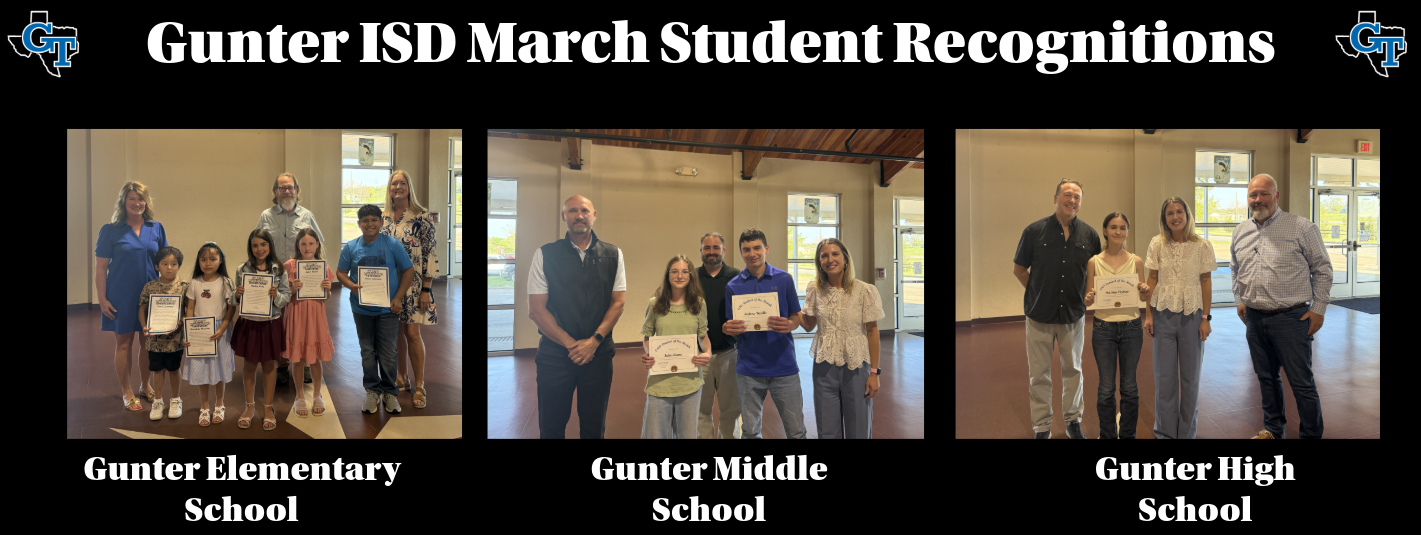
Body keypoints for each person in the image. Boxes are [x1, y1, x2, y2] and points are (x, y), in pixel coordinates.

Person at [1231, 173, 1331, 439]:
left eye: (1264, 193)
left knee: (1301, 383)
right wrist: (1240, 299)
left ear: (1276, 196)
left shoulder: (1302, 228)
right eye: (1253, 194)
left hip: (1292, 319)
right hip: (1254, 319)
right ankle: (1273, 430)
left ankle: (1311, 435)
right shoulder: (1240, 231)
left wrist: (1318, 308)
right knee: (1266, 378)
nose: (1258, 199)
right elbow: (1235, 268)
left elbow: (1322, 269)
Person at [528, 195, 627, 439]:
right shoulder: (545, 254)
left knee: (594, 427)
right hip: (555, 356)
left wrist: (593, 341)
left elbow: (618, 303)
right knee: (551, 426)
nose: (579, 215)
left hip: (598, 355)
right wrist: (573, 346)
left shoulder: (613, 254)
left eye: (584, 210)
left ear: (594, 215)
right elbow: (537, 310)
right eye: (572, 211)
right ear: (564, 217)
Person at [1012, 179, 1101, 439]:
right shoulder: (1034, 231)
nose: (1072, 200)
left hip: (1073, 315)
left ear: (1080, 202)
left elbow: (1095, 271)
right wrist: (1037, 292)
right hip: (1039, 316)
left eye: (1077, 197)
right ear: (1055, 198)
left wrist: (1090, 293)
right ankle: (1042, 426)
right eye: (1067, 195)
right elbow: (1019, 269)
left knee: (1073, 370)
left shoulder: (1090, 235)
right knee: (1039, 374)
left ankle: (1073, 420)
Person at [722, 228, 806, 439]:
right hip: (748, 369)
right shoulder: (733, 286)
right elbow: (730, 324)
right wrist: (726, 328)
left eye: (757, 247)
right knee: (750, 432)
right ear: (741, 253)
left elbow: (796, 316)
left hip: (784, 367)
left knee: (796, 431)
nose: (752, 253)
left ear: (766, 248)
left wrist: (789, 325)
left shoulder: (784, 279)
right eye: (746, 249)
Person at [1142, 197, 1216, 439]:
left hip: (1192, 316)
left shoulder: (1202, 245)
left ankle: (1186, 433)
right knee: (1164, 378)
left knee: (1190, 378)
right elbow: (1152, 279)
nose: (1175, 217)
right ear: (1164, 219)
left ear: (1187, 214)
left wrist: (1206, 318)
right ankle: (1164, 433)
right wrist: (1149, 314)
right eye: (1170, 213)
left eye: (1179, 211)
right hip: (1162, 315)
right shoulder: (1157, 244)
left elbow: (1206, 281)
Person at [800, 238, 884, 439]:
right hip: (823, 367)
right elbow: (809, 324)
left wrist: (874, 373)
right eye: (824, 256)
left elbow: (872, 332)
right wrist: (785, 304)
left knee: (859, 429)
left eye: (835, 254)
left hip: (856, 366)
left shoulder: (864, 290)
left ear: (845, 259)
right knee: (827, 429)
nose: (830, 259)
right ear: (819, 262)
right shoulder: (815, 289)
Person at [336, 205, 416, 416]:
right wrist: (351, 286)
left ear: (381, 222)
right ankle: (372, 390)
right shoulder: (351, 247)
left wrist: (398, 297)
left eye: (374, 219)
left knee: (388, 353)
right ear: (359, 223)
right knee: (367, 352)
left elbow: (408, 270)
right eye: (365, 220)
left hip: (387, 309)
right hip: (361, 309)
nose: (369, 224)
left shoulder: (392, 244)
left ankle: (390, 392)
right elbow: (341, 272)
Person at [95, 181, 165, 412]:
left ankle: (146, 385)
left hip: (151, 296)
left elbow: (165, 263)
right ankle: (127, 390)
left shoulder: (156, 228)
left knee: (148, 343)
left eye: (141, 198)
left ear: (146, 202)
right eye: (132, 199)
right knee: (124, 343)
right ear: (124, 202)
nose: (137, 203)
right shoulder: (111, 230)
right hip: (121, 295)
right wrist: (102, 299)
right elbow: (100, 268)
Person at [1083, 213, 1151, 439]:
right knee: (1105, 388)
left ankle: (1128, 434)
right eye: (1113, 227)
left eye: (1123, 228)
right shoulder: (1094, 261)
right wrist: (1089, 298)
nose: (1118, 232)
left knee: (1130, 387)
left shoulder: (1136, 261)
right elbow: (1088, 298)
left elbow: (1142, 299)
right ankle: (1108, 435)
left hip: (1131, 327)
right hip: (1103, 328)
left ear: (1127, 232)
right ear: (1104, 231)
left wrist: (1144, 292)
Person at [256, 173, 326, 387]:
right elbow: (258, 243)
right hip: (276, 276)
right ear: (275, 192)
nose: (287, 191)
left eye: (290, 187)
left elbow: (318, 244)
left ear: (297, 190)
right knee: (278, 321)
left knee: (302, 321)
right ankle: (283, 365)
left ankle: (304, 363)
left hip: (302, 281)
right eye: (282, 187)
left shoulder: (307, 215)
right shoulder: (266, 216)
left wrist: (320, 275)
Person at [382, 170, 439, 409]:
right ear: (389, 187)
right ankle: (401, 379)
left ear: (409, 187)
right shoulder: (382, 217)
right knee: (396, 335)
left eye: (402, 183)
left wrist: (426, 288)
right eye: (394, 183)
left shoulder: (421, 216)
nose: (398, 187)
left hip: (415, 286)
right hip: (388, 286)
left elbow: (430, 254)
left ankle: (419, 385)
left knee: (412, 334)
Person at [638, 255, 713, 438]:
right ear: (668, 275)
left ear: (691, 275)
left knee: (687, 435)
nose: (679, 276)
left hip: (690, 381)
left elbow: (703, 336)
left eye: (684, 272)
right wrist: (649, 353)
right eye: (674, 271)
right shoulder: (655, 304)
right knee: (655, 435)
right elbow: (647, 336)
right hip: (660, 381)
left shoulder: (699, 304)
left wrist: (708, 352)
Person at [231, 229, 292, 430]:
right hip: (249, 322)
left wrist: (277, 296)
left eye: (263, 244)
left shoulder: (279, 269)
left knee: (268, 365)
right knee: (249, 365)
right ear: (250, 247)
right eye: (255, 245)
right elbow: (234, 298)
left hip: (270, 322)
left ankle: (267, 407)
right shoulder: (242, 269)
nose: (259, 249)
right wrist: (237, 295)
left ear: (269, 246)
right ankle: (249, 407)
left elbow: (286, 297)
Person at [181, 242, 238, 426]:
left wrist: (223, 328)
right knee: (201, 369)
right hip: (199, 330)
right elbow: (190, 308)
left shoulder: (226, 282)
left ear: (220, 261)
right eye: (203, 259)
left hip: (219, 330)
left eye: (213, 259)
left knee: (220, 369)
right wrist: (188, 331)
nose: (208, 263)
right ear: (198, 261)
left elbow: (231, 309)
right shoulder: (195, 283)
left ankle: (220, 404)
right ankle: (204, 407)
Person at [284, 229, 336, 417]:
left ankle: (316, 394)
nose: (307, 247)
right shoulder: (289, 266)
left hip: (316, 315)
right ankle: (299, 396)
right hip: (297, 314)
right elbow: (283, 294)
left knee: (316, 358)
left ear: (317, 244)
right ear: (298, 245)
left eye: (311, 243)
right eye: (303, 244)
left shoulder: (323, 267)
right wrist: (291, 288)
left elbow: (327, 296)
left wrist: (328, 289)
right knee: (297, 358)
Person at [695, 232, 743, 439]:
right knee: (700, 409)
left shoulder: (736, 276)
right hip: (698, 355)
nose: (712, 252)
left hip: (729, 353)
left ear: (723, 250)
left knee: (731, 409)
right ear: (701, 251)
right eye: (707, 248)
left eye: (716, 248)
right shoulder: (691, 277)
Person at [138, 247, 188, 421]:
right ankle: (158, 401)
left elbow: (188, 311)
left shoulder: (184, 287)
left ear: (179, 266)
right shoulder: (150, 286)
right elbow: (142, 308)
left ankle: (176, 400)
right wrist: (144, 326)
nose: (169, 268)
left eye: (174, 264)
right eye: (165, 264)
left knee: (174, 369)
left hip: (175, 340)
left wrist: (180, 322)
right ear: (156, 266)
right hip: (154, 340)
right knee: (157, 370)